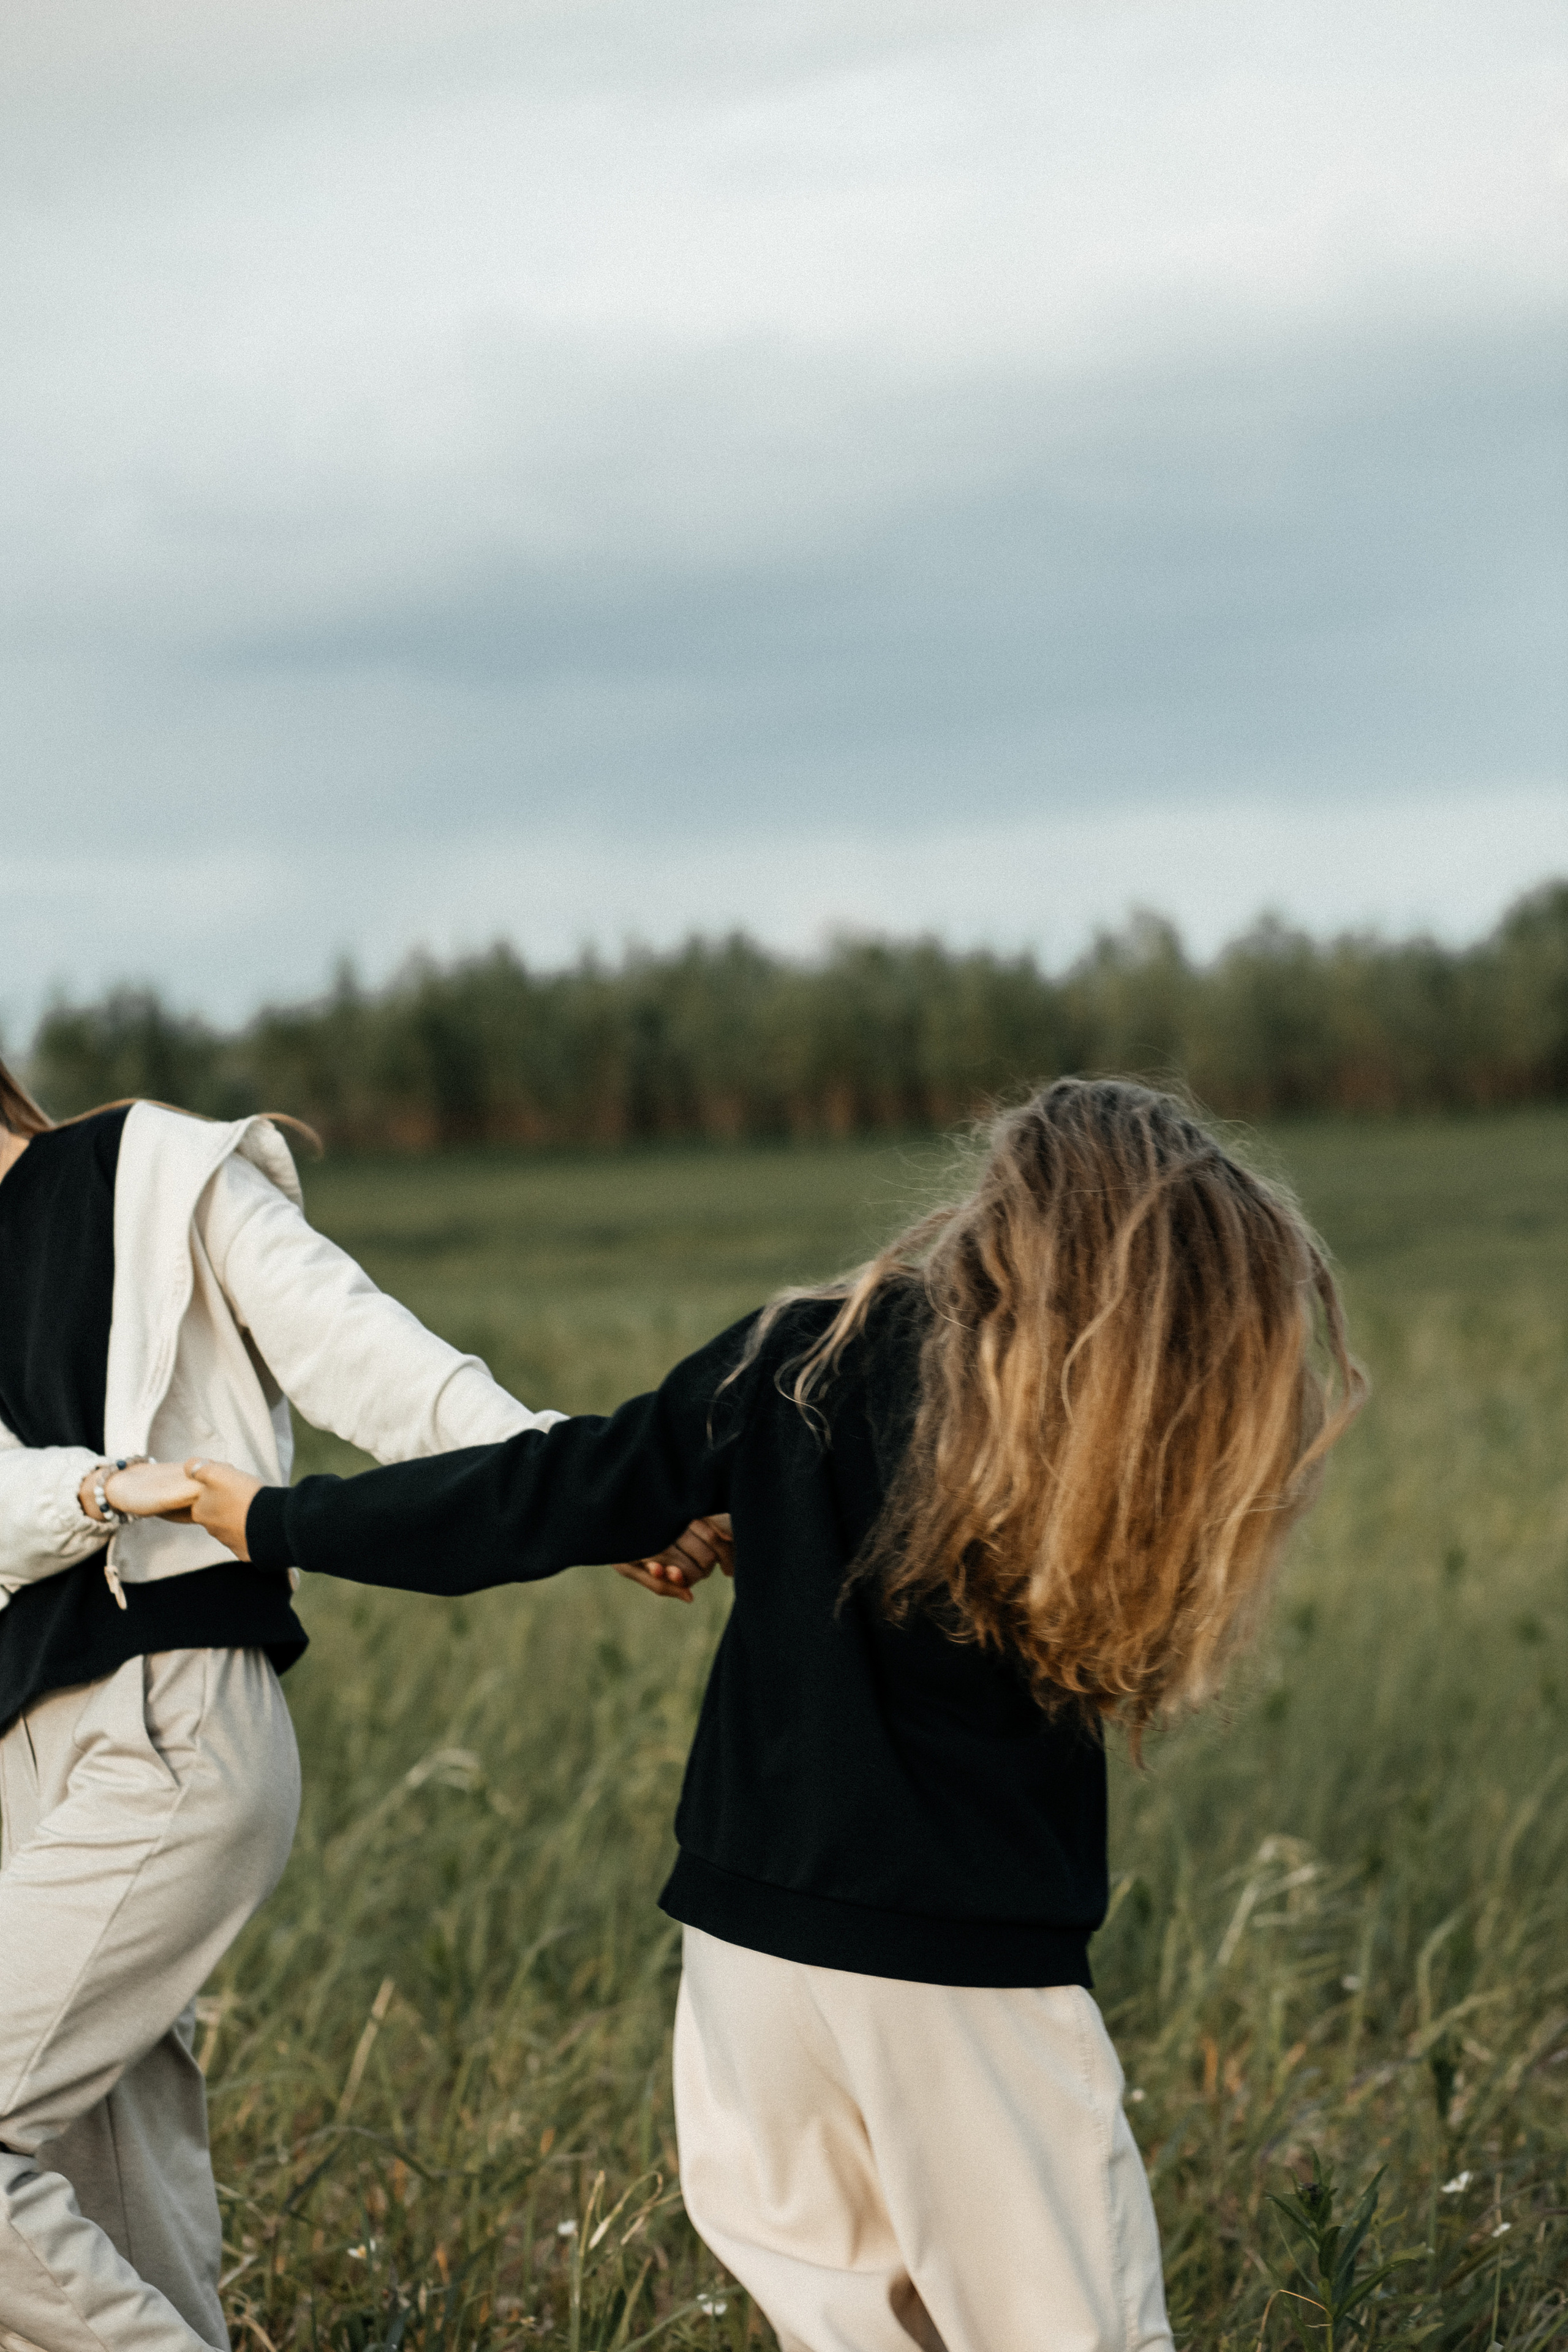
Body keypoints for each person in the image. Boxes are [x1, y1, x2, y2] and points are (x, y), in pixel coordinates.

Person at [171, 1079, 1364, 2352]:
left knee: (839, 2325)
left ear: (1004, 1204)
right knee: (1064, 2330)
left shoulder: (807, 1354)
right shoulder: (1095, 1448)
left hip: (753, 1956)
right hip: (966, 1974)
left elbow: (545, 1494)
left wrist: (276, 1520)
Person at [0, 1057, 726, 2352]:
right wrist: (110, 1487)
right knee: (103, 2204)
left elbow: (379, 1367)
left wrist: (581, 1486)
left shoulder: (151, 1171)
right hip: (20, 1756)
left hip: (162, 1716)